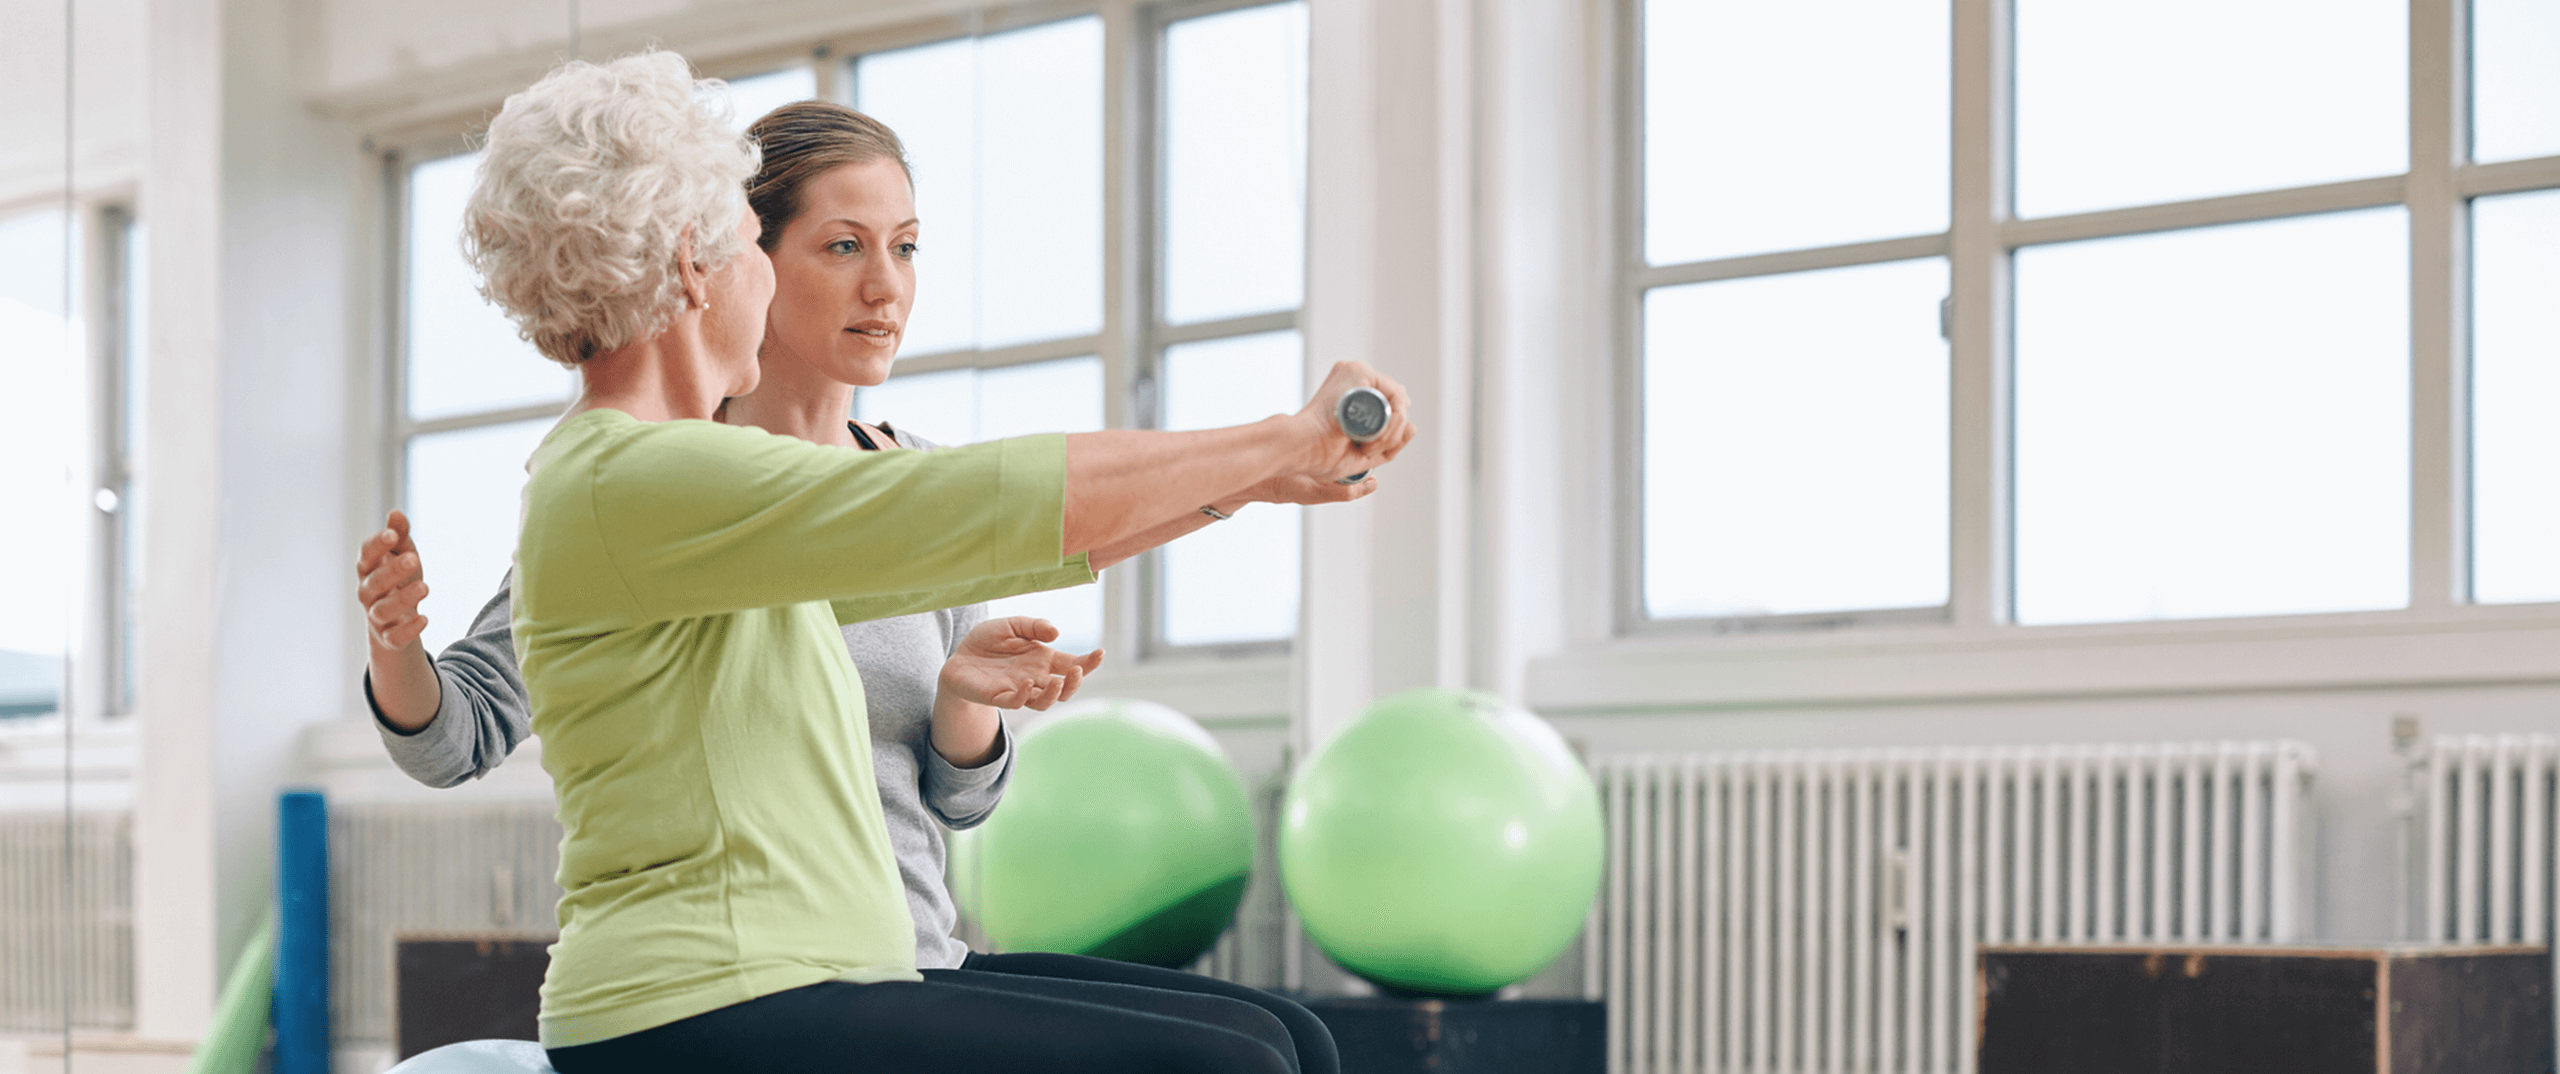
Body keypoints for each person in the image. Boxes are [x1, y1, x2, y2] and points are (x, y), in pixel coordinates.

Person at [384, 51, 1409, 1073]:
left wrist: (1250, 484)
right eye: (755, 246)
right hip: (702, 1001)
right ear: (697, 268)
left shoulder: (666, 475)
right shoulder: (638, 476)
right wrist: (1275, 439)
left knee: (1289, 1040)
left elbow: (947, 551)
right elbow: (970, 511)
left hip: (798, 975)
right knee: (1233, 1068)